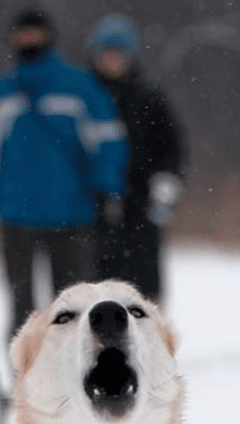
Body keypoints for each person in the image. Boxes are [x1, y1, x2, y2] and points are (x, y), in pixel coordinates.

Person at [0, 9, 129, 335]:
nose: (28, 40)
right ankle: (23, 383)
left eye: (34, 33)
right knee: (23, 315)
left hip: (73, 215)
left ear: (50, 37)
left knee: (76, 312)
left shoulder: (79, 86)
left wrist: (106, 191)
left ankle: (75, 382)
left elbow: (109, 140)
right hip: (16, 216)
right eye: (21, 34)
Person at [86, 15, 187, 302]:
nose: (113, 61)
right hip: (91, 209)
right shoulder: (83, 97)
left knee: (144, 293)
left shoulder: (150, 100)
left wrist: (166, 185)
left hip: (140, 206)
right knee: (95, 290)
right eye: (107, 53)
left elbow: (172, 149)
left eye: (119, 54)